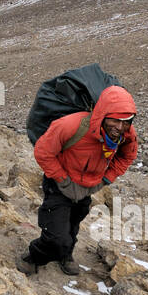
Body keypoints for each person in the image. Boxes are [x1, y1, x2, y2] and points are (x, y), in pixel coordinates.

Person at [17, 84, 138, 276]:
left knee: (73, 225)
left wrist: (106, 179)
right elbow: (43, 151)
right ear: (104, 113)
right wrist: (62, 179)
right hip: (59, 186)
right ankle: (32, 257)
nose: (120, 127)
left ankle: (65, 255)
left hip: (87, 188)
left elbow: (127, 156)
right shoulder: (71, 125)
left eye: (126, 121)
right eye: (116, 120)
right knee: (56, 236)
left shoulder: (125, 135)